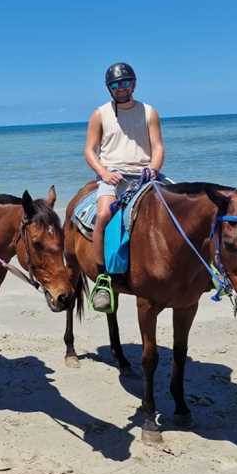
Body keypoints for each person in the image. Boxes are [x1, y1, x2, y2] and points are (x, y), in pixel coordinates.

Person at [84, 63, 165, 311]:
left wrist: (154, 167)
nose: (122, 88)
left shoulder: (149, 111)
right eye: (116, 85)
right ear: (110, 88)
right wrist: (103, 173)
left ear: (134, 83)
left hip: (145, 174)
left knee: (178, 210)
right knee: (104, 215)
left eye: (126, 83)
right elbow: (89, 150)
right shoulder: (100, 114)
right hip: (113, 177)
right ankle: (102, 279)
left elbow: (158, 146)